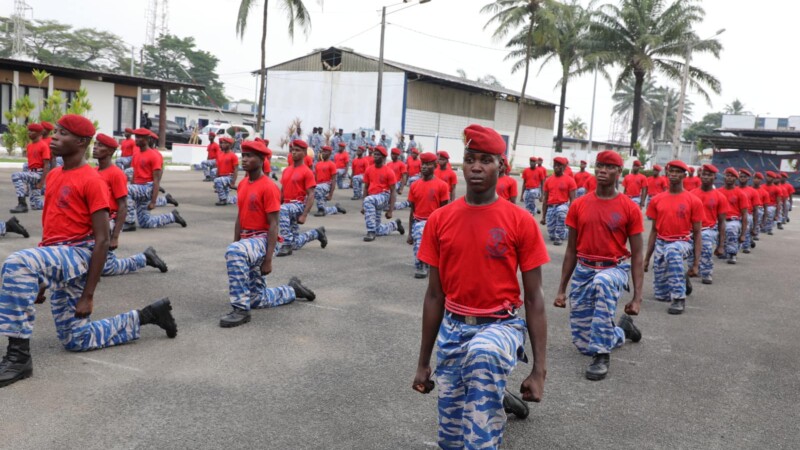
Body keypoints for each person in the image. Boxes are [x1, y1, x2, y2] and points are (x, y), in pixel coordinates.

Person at [0, 114, 177, 389]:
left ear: (82, 142)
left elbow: (103, 240)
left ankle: (18, 356)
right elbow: (50, 229)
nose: (55, 136)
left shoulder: (92, 180)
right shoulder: (56, 174)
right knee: (76, 340)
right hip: (57, 255)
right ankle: (148, 316)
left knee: (16, 263)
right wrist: (41, 280)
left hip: (80, 254)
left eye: (63, 133)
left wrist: (88, 295)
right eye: (55, 130)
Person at [412, 124, 548, 449]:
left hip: (501, 325)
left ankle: (491, 400)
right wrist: (422, 363)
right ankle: (498, 397)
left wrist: (539, 371)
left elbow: (534, 298)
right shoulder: (440, 220)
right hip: (453, 327)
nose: (476, 166)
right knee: (451, 439)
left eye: (485, 159)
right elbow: (434, 295)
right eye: (470, 158)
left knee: (482, 357)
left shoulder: (520, 221)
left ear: (501, 165)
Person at [554, 150, 643, 381]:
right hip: (584, 269)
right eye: (600, 165)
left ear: (619, 172)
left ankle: (602, 356)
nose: (603, 170)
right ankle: (622, 330)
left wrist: (637, 297)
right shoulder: (579, 205)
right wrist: (562, 289)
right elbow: (571, 250)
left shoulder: (629, 207)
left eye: (610, 167)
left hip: (613, 268)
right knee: (584, 345)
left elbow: (637, 253)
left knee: (603, 283)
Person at [219, 140, 316, 328]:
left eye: (249, 156)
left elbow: (274, 224)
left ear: (262, 160)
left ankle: (240, 309)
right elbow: (240, 217)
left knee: (235, 252)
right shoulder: (243, 185)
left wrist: (268, 259)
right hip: (248, 240)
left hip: (264, 239)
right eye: (243, 155)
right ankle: (292, 291)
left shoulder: (269, 186)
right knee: (256, 298)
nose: (244, 159)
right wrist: (237, 241)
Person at [93, 134, 168, 276]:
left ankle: (144, 258)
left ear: (110, 151)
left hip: (109, 221)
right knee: (146, 221)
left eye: (100, 145)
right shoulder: (93, 172)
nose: (95, 147)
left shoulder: (116, 174)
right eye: (95, 144)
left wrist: (115, 236)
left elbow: (123, 206)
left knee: (106, 268)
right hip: (95, 221)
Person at [644, 160, 703, 315]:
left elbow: (697, 233)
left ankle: (679, 299)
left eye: (678, 172)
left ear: (684, 175)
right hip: (661, 242)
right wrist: (646, 259)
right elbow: (653, 231)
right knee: (661, 296)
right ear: (667, 174)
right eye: (672, 171)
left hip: (683, 241)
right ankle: (682, 279)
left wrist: (696, 264)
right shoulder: (657, 200)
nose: (674, 174)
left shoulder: (693, 201)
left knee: (672, 251)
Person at [123, 129, 187, 231]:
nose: (137, 139)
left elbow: (157, 180)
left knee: (126, 190)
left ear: (147, 139)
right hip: (139, 189)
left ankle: (129, 222)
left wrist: (153, 201)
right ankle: (172, 217)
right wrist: (132, 195)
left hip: (147, 188)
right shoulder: (136, 155)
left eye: (140, 137)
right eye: (136, 137)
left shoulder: (154, 156)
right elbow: (135, 175)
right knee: (145, 222)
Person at [276, 140, 327, 257]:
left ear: (304, 153)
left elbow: (311, 194)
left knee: (283, 210)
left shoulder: (307, 172)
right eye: (292, 150)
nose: (293, 153)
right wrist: (276, 206)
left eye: (297, 150)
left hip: (298, 205)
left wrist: (304, 214)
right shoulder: (287, 170)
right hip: (288, 206)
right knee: (296, 243)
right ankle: (317, 233)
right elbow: (283, 191)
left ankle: (286, 245)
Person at [406, 153, 450, 279]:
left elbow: (444, 211)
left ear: (435, 166)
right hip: (418, 222)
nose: (424, 167)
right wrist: (410, 233)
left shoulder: (442, 185)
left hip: (434, 223)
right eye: (423, 164)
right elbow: (412, 211)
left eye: (428, 164)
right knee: (419, 230)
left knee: (421, 231)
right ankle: (423, 264)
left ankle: (423, 265)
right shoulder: (414, 185)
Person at [688, 164, 728, 285]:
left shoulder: (719, 197)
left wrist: (721, 245)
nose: (706, 177)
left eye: (709, 175)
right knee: (690, 249)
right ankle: (694, 267)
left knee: (705, 243)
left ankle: (707, 271)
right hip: (691, 229)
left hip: (707, 229)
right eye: (704, 174)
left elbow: (721, 222)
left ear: (714, 177)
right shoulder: (692, 194)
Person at [361, 146, 404, 242]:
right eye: (374, 154)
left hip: (384, 196)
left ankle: (370, 231)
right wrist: (363, 205)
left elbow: (393, 191)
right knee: (378, 230)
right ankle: (395, 225)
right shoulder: (369, 170)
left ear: (383, 158)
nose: (375, 156)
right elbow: (366, 188)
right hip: (373, 198)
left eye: (378, 155)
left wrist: (390, 210)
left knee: (369, 200)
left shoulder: (389, 171)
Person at [10, 123, 50, 213]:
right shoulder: (29, 146)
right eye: (29, 130)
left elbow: (46, 165)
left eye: (32, 131)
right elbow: (30, 164)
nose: (29, 133)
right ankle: (54, 204)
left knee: (16, 175)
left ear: (39, 133)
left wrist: (42, 182)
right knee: (36, 205)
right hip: (32, 173)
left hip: (39, 174)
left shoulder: (43, 145)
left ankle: (22, 204)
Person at [540, 157, 577, 245]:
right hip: (551, 207)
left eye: (559, 165)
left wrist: (571, 217)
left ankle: (559, 237)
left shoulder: (570, 180)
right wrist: (543, 217)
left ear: (564, 167)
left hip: (563, 205)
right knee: (551, 235)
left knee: (560, 212)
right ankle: (566, 233)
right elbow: (545, 200)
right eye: (555, 165)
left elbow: (573, 200)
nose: (556, 167)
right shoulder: (548, 180)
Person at [718, 168, 749, 264]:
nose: (729, 178)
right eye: (727, 175)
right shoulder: (718, 192)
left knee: (731, 229)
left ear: (736, 179)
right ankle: (721, 249)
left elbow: (744, 214)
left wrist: (743, 234)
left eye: (732, 176)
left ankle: (732, 254)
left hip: (733, 220)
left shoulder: (740, 193)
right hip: (718, 219)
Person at [313, 146, 345, 217]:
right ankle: (335, 208)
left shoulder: (332, 164)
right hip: (319, 185)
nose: (323, 153)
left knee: (318, 188)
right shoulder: (318, 164)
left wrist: (331, 194)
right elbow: (315, 178)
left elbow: (334, 180)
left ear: (330, 153)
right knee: (314, 189)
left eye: (325, 152)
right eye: (322, 151)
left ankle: (321, 209)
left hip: (327, 184)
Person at [737, 169, 760, 254]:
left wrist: (755, 227)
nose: (742, 178)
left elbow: (756, 210)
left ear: (748, 179)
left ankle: (746, 245)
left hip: (748, 214)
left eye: (744, 177)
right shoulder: (734, 189)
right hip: (736, 214)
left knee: (747, 225)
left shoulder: (753, 191)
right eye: (741, 176)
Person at [213, 137, 239, 206]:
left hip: (229, 177)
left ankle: (223, 200)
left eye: (225, 143)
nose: (222, 144)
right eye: (222, 143)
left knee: (217, 181)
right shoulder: (220, 155)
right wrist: (216, 179)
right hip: (221, 177)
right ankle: (238, 198)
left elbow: (236, 169)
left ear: (229, 145)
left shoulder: (233, 156)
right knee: (228, 198)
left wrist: (233, 182)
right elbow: (218, 168)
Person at [751, 172, 767, 241]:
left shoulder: (764, 192)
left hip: (759, 209)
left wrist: (764, 220)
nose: (756, 180)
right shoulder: (748, 189)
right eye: (755, 178)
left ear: (761, 180)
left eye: (758, 178)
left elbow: (765, 207)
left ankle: (755, 233)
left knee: (757, 220)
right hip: (749, 209)